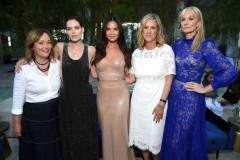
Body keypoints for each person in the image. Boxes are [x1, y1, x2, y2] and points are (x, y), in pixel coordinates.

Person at [160, 6, 237, 160]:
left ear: (198, 23)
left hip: (191, 100)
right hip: (173, 99)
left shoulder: (205, 45)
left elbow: (230, 71)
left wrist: (206, 88)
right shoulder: (176, 46)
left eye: (191, 18)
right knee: (172, 140)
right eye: (183, 19)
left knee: (183, 141)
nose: (186, 22)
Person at [127, 13, 175, 160]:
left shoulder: (166, 50)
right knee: (142, 145)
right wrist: (110, 73)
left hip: (157, 102)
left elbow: (169, 79)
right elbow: (131, 78)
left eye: (152, 28)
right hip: (138, 102)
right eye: (145, 27)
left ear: (158, 30)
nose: (148, 31)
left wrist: (162, 103)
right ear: (141, 30)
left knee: (155, 143)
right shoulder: (136, 53)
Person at [11, 28, 62, 160]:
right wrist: (16, 123)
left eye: (48, 42)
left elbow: (75, 48)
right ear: (32, 46)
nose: (46, 46)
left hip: (55, 117)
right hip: (33, 119)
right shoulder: (23, 68)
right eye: (40, 43)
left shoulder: (57, 64)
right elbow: (17, 99)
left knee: (54, 152)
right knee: (36, 153)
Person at [54, 16, 99, 160]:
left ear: (82, 30)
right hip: (66, 101)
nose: (73, 31)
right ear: (66, 31)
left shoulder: (91, 50)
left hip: (85, 102)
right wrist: (24, 60)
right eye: (69, 28)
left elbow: (98, 72)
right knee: (69, 139)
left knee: (87, 138)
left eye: (76, 28)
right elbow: (43, 59)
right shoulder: (60, 47)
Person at [92, 15, 131, 160]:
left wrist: (131, 78)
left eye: (115, 29)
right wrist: (26, 60)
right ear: (104, 31)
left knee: (121, 132)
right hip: (103, 96)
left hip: (121, 96)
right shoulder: (96, 51)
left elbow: (130, 74)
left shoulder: (125, 51)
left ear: (120, 31)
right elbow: (91, 72)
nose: (112, 32)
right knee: (106, 132)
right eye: (108, 29)